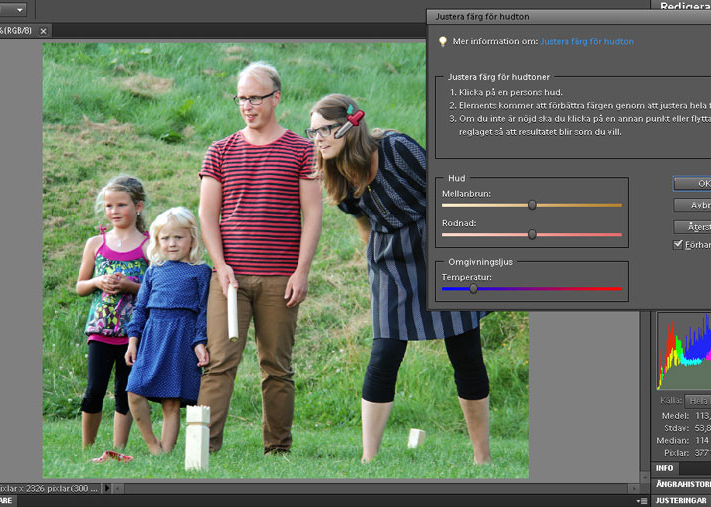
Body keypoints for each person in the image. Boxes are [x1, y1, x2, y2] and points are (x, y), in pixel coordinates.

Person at [308, 94, 492, 464]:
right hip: (390, 258)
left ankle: (482, 457)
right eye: (313, 132)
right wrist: (376, 268)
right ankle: (368, 459)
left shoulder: (396, 148)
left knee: (465, 352)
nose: (319, 139)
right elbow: (363, 222)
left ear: (350, 125)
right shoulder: (336, 172)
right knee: (384, 354)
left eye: (326, 129)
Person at [197, 61, 322, 454]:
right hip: (229, 280)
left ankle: (278, 450)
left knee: (277, 368)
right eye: (241, 98)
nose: (246, 106)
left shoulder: (303, 150)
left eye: (254, 98)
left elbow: (313, 215)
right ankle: (203, 448)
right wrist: (220, 266)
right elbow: (207, 215)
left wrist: (301, 272)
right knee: (218, 364)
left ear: (276, 97)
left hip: (280, 279)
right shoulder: (219, 151)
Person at [125, 207, 212, 455]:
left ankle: (165, 453)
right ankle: (153, 445)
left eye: (178, 237)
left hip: (182, 337)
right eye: (165, 238)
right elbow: (140, 308)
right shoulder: (153, 271)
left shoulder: (201, 271)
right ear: (157, 241)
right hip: (153, 336)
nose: (172, 243)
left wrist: (199, 341)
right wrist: (133, 341)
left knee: (171, 400)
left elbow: (204, 311)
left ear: (192, 239)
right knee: (134, 390)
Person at [75, 175, 149, 449]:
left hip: (133, 334)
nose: (114, 211)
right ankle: (88, 447)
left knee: (124, 391)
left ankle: (118, 450)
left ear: (138, 206)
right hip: (100, 330)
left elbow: (156, 290)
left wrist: (131, 286)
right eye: (109, 206)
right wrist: (97, 281)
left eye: (121, 205)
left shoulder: (149, 245)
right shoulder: (96, 243)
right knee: (94, 389)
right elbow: (80, 287)